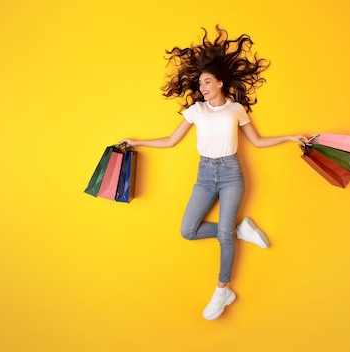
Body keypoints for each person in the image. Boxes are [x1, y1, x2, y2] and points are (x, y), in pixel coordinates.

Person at [122, 25, 308, 320]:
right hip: (205, 174)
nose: (203, 87)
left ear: (220, 83)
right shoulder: (195, 111)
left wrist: (290, 137)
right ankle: (240, 231)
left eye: (207, 82)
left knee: (223, 234)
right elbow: (171, 141)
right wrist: (137, 141)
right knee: (188, 231)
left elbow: (258, 142)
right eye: (200, 84)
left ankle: (223, 290)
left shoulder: (236, 109)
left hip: (232, 173)